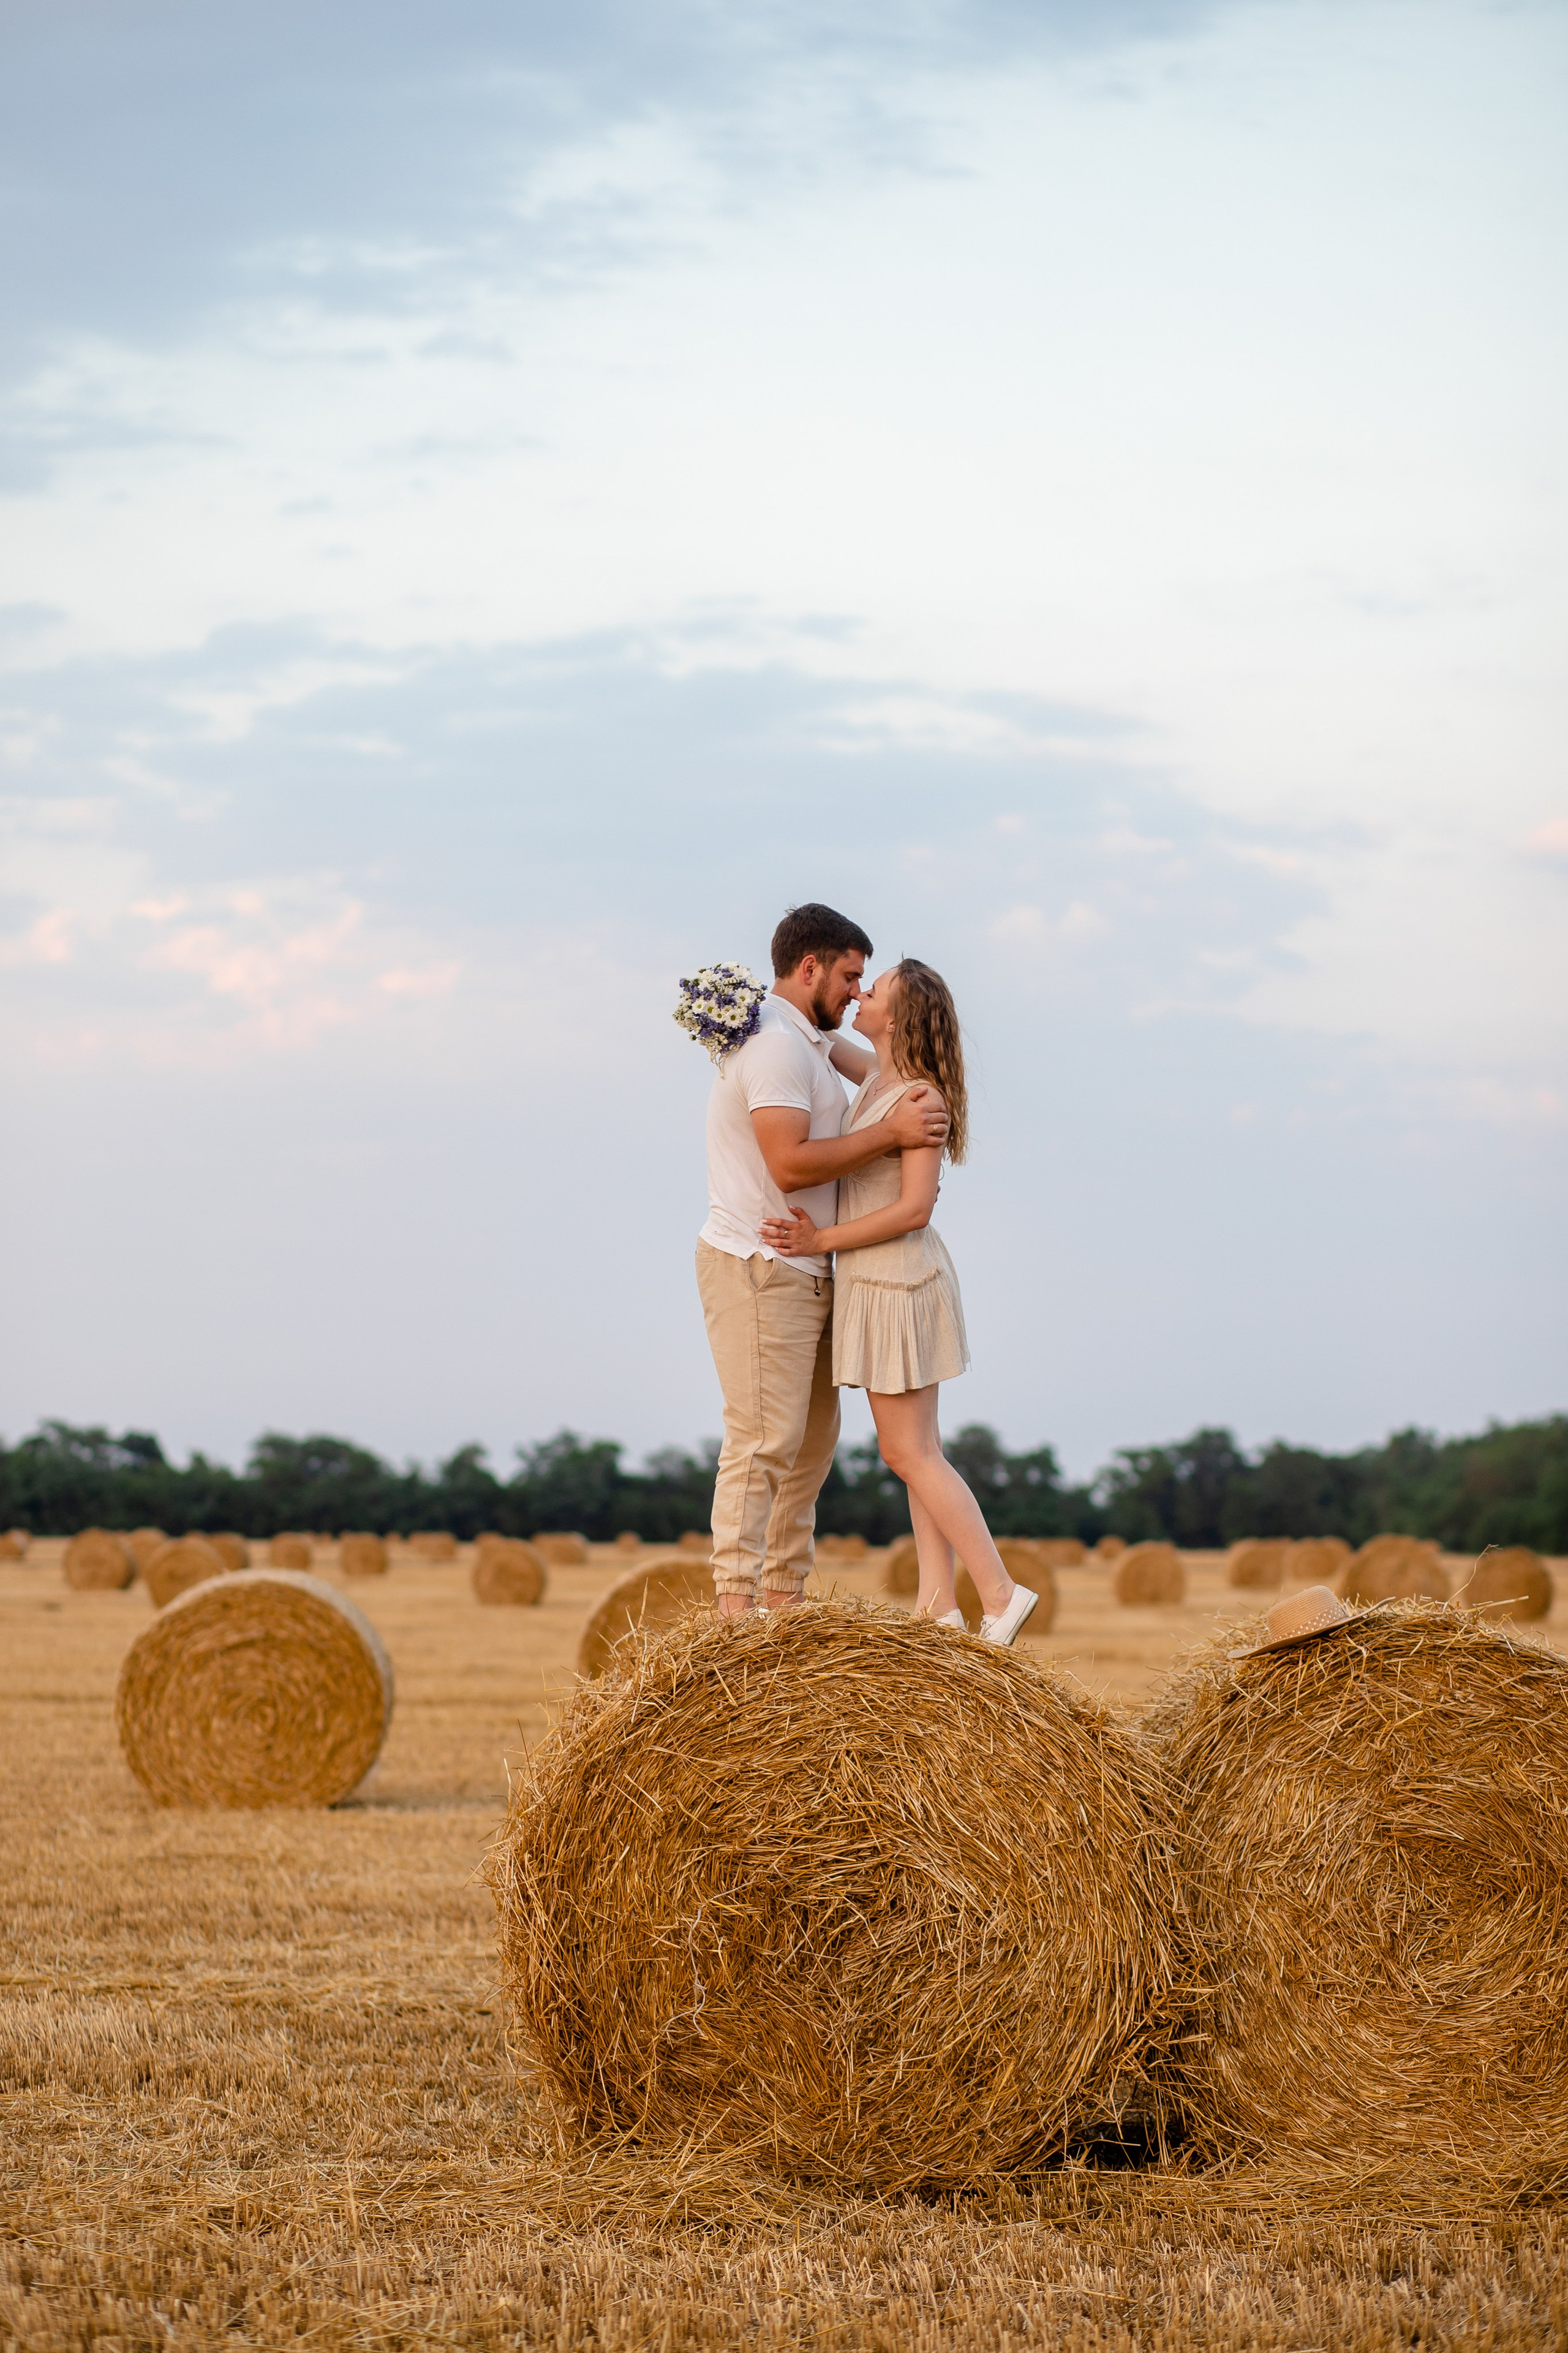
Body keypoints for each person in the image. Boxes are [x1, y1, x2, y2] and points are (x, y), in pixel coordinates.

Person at [760, 958, 1038, 1646]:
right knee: (917, 1449)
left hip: (900, 1281)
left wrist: (820, 1237)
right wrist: (745, 1011)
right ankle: (936, 1602)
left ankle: (1001, 1594)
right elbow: (819, 1041)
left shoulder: (917, 1097)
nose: (859, 992)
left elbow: (914, 1208)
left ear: (900, 1016)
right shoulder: (880, 1080)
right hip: (881, 1280)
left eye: (873, 988)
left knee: (908, 1452)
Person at [697, 904, 951, 1618]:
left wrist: (912, 1104)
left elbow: (893, 1075)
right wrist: (892, 1132)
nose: (855, 991)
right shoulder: (777, 1046)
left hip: (810, 1269)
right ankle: (734, 1614)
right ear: (808, 968)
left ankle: (783, 1602)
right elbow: (789, 1162)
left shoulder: (807, 1043)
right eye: (848, 976)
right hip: (760, 1264)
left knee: (810, 1447)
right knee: (763, 1439)